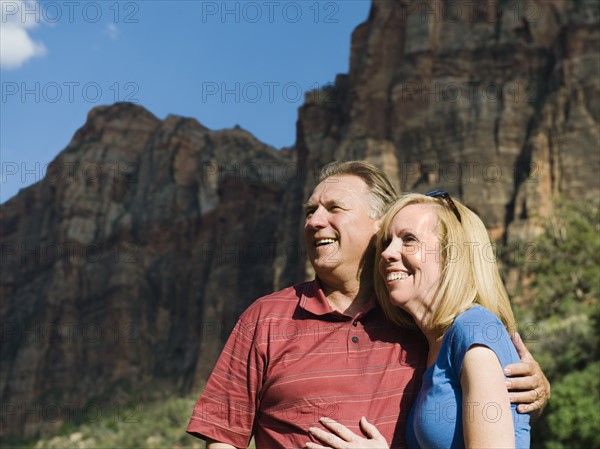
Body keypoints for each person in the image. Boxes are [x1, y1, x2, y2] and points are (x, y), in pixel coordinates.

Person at [186, 162, 549, 448]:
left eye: (334, 208)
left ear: (379, 224)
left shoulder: (423, 323)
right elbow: (224, 435)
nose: (314, 221)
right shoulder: (265, 318)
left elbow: (490, 371)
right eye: (310, 210)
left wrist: (528, 386)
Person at [306, 191, 533, 449]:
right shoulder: (432, 342)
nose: (387, 254)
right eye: (388, 242)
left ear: (452, 255)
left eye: (409, 240)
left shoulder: (473, 328)